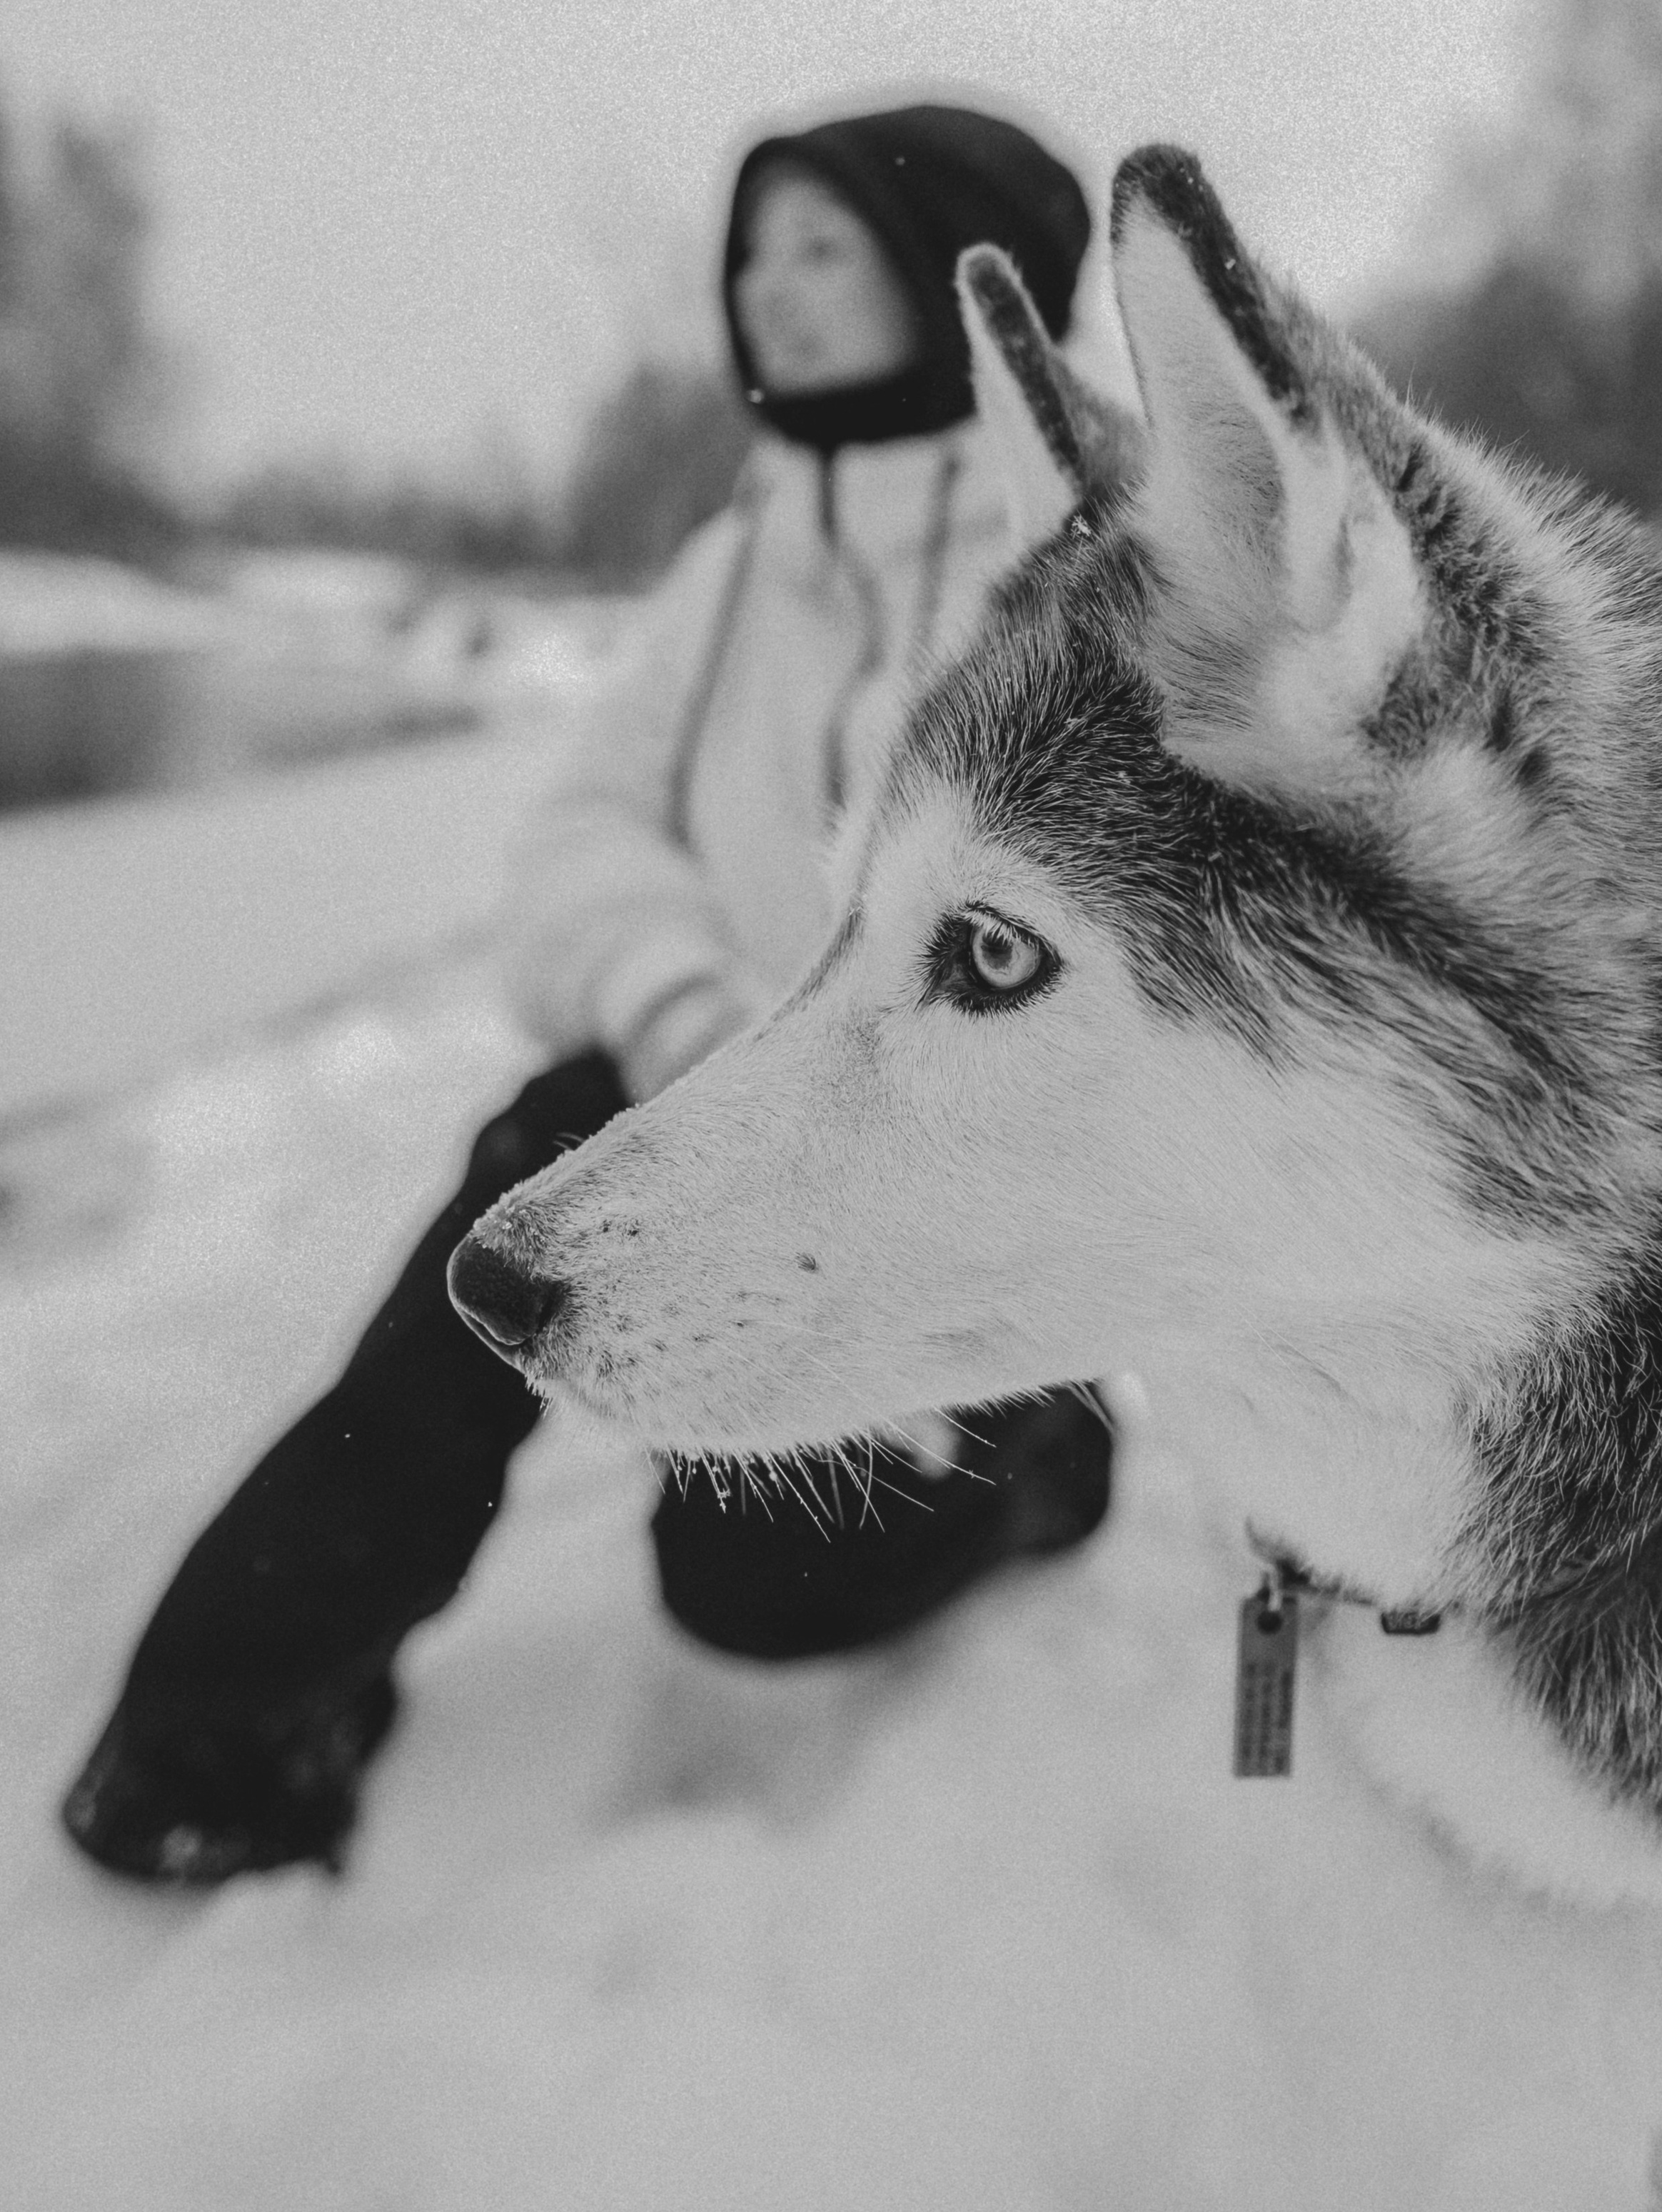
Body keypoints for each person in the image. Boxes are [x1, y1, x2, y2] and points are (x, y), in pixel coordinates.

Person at [61, 102, 1117, 1887]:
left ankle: (1042, 1478)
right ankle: (228, 1725)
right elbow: (578, 836)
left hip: (948, 1174)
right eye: (753, 249)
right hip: (715, 1086)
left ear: (952, 276)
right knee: (514, 1176)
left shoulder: (1072, 564)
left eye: (823, 246)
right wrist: (678, 1002)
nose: (767, 288)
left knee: (752, 1581)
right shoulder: (731, 566)